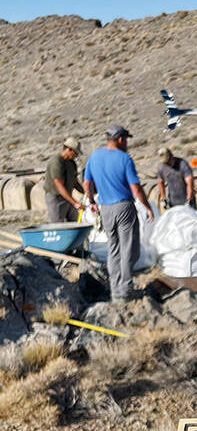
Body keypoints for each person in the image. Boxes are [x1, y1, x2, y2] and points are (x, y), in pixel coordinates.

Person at [83, 126, 153, 301]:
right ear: (120, 139)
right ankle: (126, 290)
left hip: (105, 209)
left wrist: (91, 202)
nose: (127, 143)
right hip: (123, 207)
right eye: (126, 139)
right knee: (129, 249)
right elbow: (136, 188)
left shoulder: (95, 156)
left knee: (113, 249)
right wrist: (147, 207)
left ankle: (115, 291)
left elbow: (86, 183)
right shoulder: (124, 158)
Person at [43, 137, 84, 222]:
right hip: (56, 198)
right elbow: (59, 185)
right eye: (75, 153)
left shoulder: (72, 163)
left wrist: (86, 192)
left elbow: (75, 182)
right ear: (69, 149)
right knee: (58, 224)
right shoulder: (57, 161)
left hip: (68, 197)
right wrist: (75, 203)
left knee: (75, 221)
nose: (76, 156)